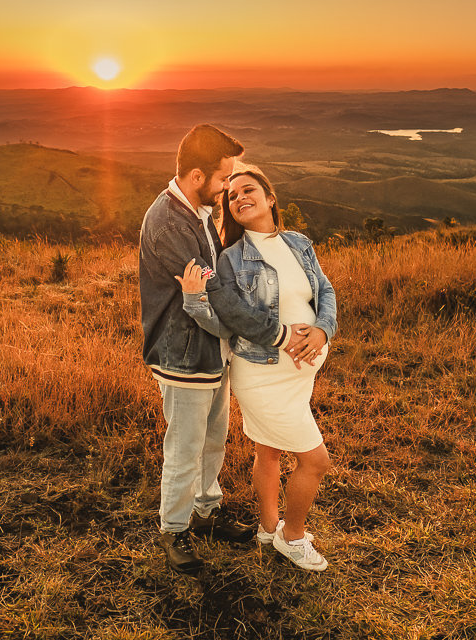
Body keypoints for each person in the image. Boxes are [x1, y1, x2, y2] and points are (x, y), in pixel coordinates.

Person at [138, 126, 307, 575]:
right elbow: (217, 295)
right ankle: (174, 530)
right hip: (184, 356)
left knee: (213, 440)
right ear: (197, 176)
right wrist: (277, 334)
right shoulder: (168, 224)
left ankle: (206, 512)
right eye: (222, 179)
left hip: (212, 352)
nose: (227, 188)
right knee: (184, 449)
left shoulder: (196, 211)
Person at [178, 166, 337, 571]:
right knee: (316, 461)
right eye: (231, 196)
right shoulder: (230, 259)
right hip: (262, 374)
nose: (239, 198)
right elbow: (233, 318)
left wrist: (322, 329)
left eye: (248, 190)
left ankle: (268, 529)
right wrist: (285, 337)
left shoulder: (298, 243)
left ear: (270, 198)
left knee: (268, 451)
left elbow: (324, 289)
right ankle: (292, 536)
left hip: (299, 375)